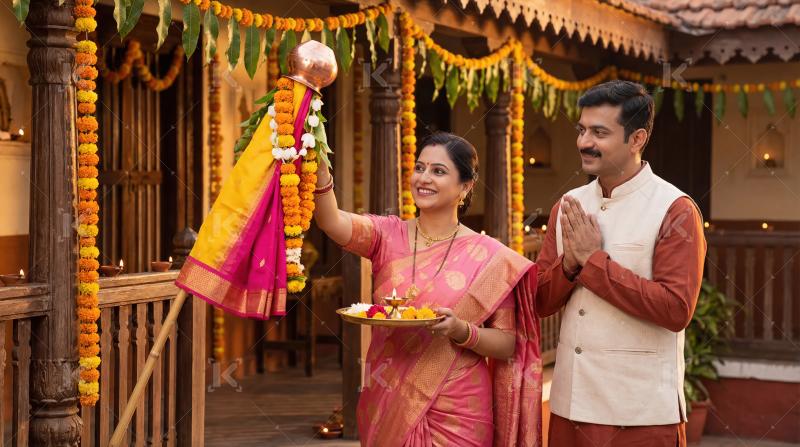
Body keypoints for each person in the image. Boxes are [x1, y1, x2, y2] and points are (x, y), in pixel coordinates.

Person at [313, 132, 542, 446]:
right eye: (420, 168)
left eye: (439, 171)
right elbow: (330, 220)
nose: (424, 178)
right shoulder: (386, 234)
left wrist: (462, 331)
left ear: (465, 186)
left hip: (459, 408)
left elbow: (506, 344)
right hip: (388, 394)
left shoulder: (490, 256)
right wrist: (321, 170)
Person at [536, 80, 706, 446]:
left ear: (637, 139)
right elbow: (540, 301)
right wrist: (568, 266)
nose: (584, 142)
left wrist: (593, 263)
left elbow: (676, 309)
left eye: (599, 132)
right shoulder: (568, 205)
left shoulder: (674, 209)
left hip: (641, 414)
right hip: (571, 404)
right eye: (582, 130)